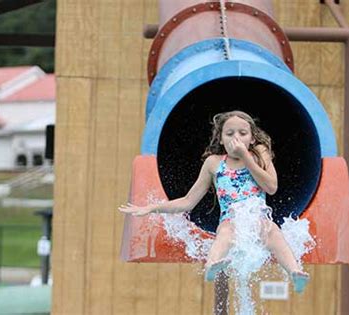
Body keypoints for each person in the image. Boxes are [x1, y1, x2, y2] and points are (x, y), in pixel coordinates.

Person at [119, 110, 309, 293]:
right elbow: (188, 201)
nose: (236, 137)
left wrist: (245, 157)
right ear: (221, 139)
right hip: (230, 219)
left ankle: (294, 272)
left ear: (252, 138)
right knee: (226, 231)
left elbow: (271, 186)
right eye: (230, 133)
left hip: (257, 218)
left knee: (272, 230)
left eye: (243, 133)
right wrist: (152, 207)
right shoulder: (213, 163)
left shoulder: (259, 153)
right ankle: (212, 265)